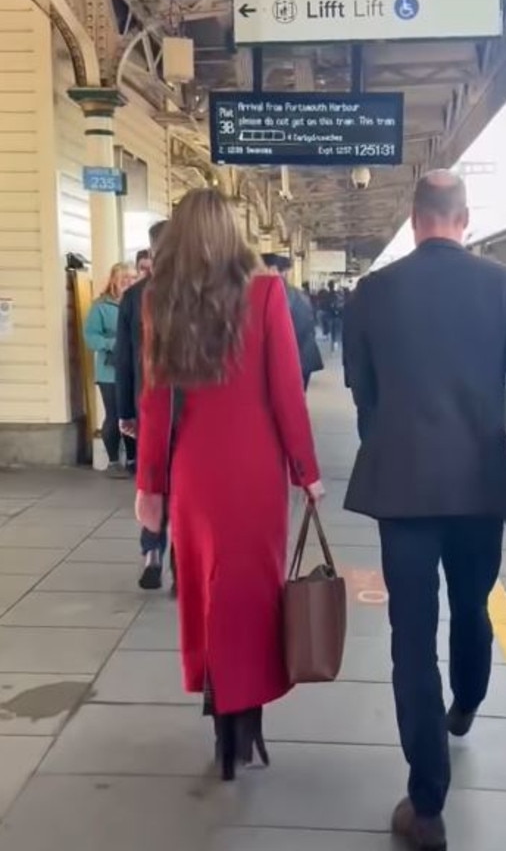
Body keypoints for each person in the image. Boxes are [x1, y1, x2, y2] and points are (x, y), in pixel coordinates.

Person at [343, 170, 506, 851]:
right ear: (463, 220)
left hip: (405, 491)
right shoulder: (502, 287)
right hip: (478, 488)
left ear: (416, 221)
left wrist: (391, 451)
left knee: (411, 640)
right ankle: (467, 703)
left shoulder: (372, 292)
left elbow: (365, 396)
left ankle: (427, 808)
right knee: (472, 606)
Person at [134, 189, 323, 781]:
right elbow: (286, 393)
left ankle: (220, 717)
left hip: (195, 474)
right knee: (253, 596)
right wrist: (306, 470)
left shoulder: (159, 302)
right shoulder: (268, 294)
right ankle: (248, 722)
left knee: (206, 595)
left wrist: (151, 485)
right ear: (233, 234)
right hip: (256, 473)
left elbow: (156, 403)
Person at [114, 219, 169, 589]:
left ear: (152, 252)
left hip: (146, 404)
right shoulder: (194, 293)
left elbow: (123, 357)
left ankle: (151, 551)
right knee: (182, 485)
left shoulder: (135, 296)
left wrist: (124, 411)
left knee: (151, 481)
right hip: (189, 411)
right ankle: (185, 561)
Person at [83, 262, 137, 478]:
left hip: (133, 370)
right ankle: (114, 462)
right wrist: (113, 343)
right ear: (113, 279)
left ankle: (133, 459)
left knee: (133, 414)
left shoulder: (137, 302)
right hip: (109, 372)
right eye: (124, 277)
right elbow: (90, 337)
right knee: (114, 415)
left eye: (133, 277)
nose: (129, 282)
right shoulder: (100, 307)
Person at [262, 254, 324, 390]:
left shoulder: (277, 295)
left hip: (291, 361)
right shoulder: (298, 294)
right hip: (302, 359)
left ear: (272, 269)